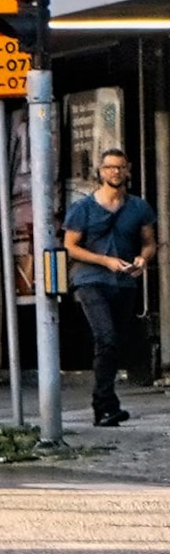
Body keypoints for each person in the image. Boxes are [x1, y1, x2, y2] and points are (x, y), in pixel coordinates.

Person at [63, 147, 158, 428]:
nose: (115, 172)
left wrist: (143, 258)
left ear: (127, 171)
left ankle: (108, 405)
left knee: (115, 343)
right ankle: (103, 405)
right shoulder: (84, 208)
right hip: (91, 281)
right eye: (109, 167)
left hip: (125, 282)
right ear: (100, 171)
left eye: (120, 167)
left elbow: (150, 241)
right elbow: (70, 247)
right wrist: (105, 260)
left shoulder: (139, 207)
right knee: (106, 338)